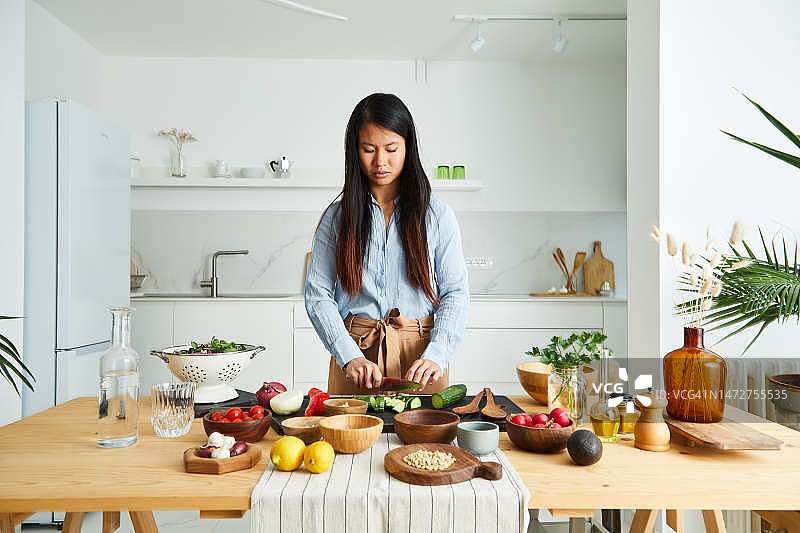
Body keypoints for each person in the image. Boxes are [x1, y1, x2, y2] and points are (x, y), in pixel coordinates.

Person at [304, 93, 469, 395]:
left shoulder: (437, 215)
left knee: (426, 445)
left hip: (421, 361)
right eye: (369, 149)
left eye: (391, 149)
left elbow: (455, 292)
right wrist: (348, 355)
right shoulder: (337, 217)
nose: (380, 162)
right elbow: (317, 294)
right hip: (356, 360)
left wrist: (437, 354)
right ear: (355, 151)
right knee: (348, 442)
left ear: (408, 147)